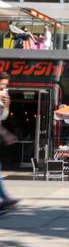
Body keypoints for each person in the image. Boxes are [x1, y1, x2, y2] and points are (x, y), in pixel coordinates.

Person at [0, 72, 18, 211]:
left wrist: (6, 106)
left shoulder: (3, 95)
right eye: (1, 85)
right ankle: (5, 197)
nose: (3, 88)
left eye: (5, 85)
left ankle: (5, 197)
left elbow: (3, 117)